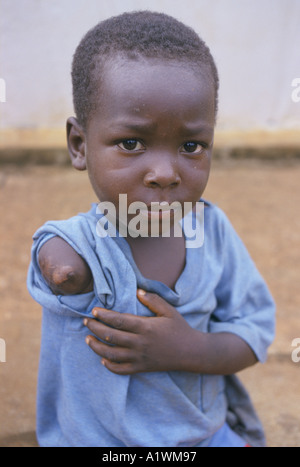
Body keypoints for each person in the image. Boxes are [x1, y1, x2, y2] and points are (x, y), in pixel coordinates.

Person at [27, 11, 275, 447]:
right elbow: (56, 258)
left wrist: (191, 349)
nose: (164, 172)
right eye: (131, 143)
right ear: (79, 145)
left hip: (201, 436)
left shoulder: (212, 230)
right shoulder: (81, 243)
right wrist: (67, 272)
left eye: (190, 146)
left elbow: (253, 329)